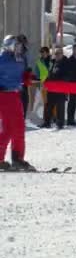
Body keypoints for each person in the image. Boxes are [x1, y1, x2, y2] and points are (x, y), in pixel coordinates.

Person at [0, 35, 35, 171]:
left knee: (14, 127)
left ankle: (16, 158)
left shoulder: (20, 59)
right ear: (9, 45)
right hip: (4, 94)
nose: (20, 48)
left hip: (14, 94)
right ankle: (12, 158)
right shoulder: (3, 59)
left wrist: (26, 77)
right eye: (17, 46)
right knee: (12, 127)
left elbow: (21, 73)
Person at [41, 47, 69, 130]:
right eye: (56, 54)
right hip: (52, 87)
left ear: (62, 54)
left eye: (58, 53)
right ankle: (47, 122)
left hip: (61, 88)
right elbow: (49, 73)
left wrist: (59, 80)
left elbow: (67, 76)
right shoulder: (53, 63)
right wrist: (46, 80)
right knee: (49, 105)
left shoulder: (65, 63)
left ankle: (60, 123)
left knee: (60, 106)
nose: (57, 55)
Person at [34, 46, 52, 122]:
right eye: (41, 52)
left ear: (47, 53)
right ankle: (44, 118)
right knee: (44, 101)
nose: (42, 54)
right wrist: (39, 81)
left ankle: (52, 117)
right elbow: (36, 73)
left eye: (43, 52)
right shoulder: (38, 62)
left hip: (52, 84)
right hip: (43, 84)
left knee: (51, 101)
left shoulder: (52, 61)